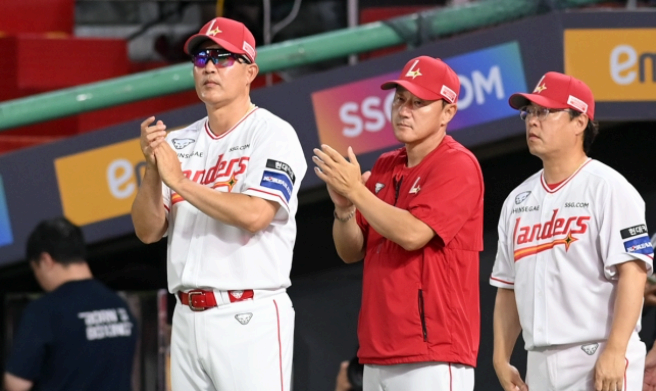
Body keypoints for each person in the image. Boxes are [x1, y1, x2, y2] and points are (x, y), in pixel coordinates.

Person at [130, 16, 306, 391]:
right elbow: (147, 231)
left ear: (250, 72)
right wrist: (152, 169)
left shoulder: (274, 134)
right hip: (187, 316)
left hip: (247, 314)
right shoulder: (179, 142)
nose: (209, 66)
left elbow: (256, 215)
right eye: (202, 58)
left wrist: (177, 180)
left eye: (223, 57)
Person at [314, 56, 484, 390]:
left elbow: (413, 233)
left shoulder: (458, 164)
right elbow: (351, 251)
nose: (404, 110)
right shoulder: (384, 164)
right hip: (377, 351)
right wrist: (345, 208)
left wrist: (356, 191)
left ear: (447, 112)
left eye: (419, 103)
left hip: (433, 353)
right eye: (400, 100)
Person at [490, 72, 654, 391]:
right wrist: (500, 358)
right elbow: (508, 287)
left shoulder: (609, 188)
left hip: (597, 354)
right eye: (529, 112)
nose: (532, 121)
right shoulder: (516, 201)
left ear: (579, 122)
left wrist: (616, 350)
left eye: (545, 111)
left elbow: (633, 273)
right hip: (538, 360)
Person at [3, 217, 137, 391]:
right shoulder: (120, 307)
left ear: (45, 261)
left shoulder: (44, 311)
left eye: (35, 269)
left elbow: (17, 384)